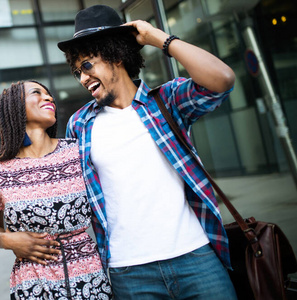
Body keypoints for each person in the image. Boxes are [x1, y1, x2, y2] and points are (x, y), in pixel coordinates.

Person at [58, 5, 237, 300]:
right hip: (128, 272)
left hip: (195, 256)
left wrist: (157, 37)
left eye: (87, 65)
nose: (82, 78)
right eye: (77, 72)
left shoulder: (165, 101)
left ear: (116, 55)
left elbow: (222, 79)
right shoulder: (80, 124)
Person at [0, 80, 112, 299]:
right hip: (34, 283)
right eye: (36, 93)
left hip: (89, 278)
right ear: (16, 106)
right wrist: (8, 240)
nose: (49, 97)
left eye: (49, 94)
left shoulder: (77, 151)